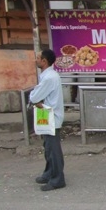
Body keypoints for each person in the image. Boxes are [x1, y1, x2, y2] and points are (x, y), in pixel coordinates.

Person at [29, 48, 66, 191]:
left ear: (44, 61)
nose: (36, 60)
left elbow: (34, 97)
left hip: (51, 116)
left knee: (53, 148)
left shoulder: (49, 77)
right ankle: (49, 173)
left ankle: (57, 179)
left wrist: (35, 98)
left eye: (38, 58)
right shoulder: (48, 75)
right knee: (48, 147)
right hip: (47, 114)